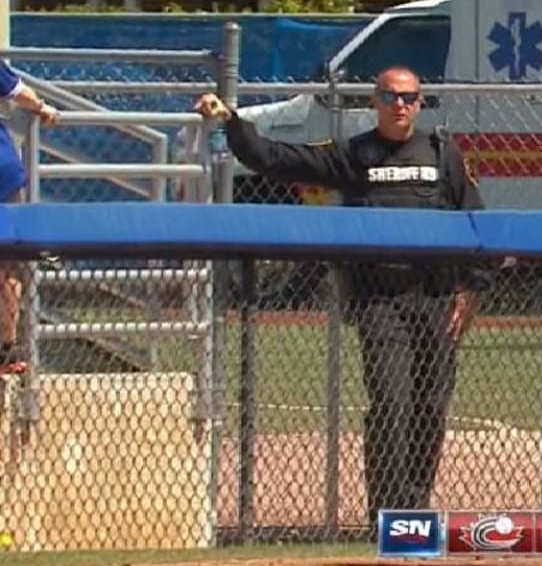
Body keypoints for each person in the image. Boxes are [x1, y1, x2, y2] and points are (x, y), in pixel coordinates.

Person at [193, 67, 491, 528]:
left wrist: (472, 289)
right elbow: (277, 158)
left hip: (435, 299)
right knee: (392, 404)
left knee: (430, 407)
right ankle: (387, 516)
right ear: (375, 100)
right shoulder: (357, 154)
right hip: (380, 302)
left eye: (410, 97)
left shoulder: (442, 153)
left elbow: (474, 219)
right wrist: (233, 122)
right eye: (391, 96)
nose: (400, 105)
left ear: (420, 101)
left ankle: (415, 508)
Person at [0, 62, 60, 376]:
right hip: (5, 173)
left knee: (8, 269)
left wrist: (38, 104)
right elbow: (22, 94)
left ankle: (6, 351)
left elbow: (18, 91)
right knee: (7, 268)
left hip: (4, 175)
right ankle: (6, 351)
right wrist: (42, 107)